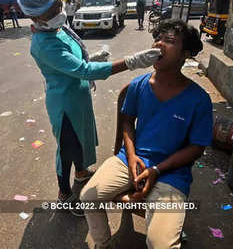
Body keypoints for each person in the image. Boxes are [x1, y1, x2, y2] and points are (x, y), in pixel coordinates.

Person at [16, 0, 162, 216]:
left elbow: (78, 64)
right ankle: (65, 195)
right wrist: (130, 62)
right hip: (65, 105)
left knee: (82, 140)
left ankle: (81, 172)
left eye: (58, 5)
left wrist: (93, 58)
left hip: (78, 97)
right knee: (67, 149)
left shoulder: (58, 29)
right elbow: (83, 70)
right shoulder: (44, 44)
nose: (59, 12)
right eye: (52, 11)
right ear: (35, 17)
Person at [80, 19, 212, 249]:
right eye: (157, 38)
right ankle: (103, 244)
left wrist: (157, 170)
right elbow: (128, 122)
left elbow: (197, 147)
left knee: (160, 243)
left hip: (172, 173)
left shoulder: (199, 99)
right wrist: (131, 157)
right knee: (88, 197)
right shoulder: (139, 85)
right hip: (130, 161)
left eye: (169, 41)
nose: (159, 44)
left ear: (186, 54)